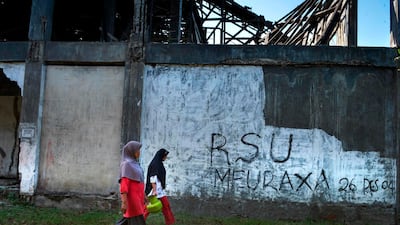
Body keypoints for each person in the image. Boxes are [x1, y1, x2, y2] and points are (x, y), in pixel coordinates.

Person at [144, 148, 175, 225]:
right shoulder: (156, 164)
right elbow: (153, 178)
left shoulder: (158, 163)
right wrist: (154, 190)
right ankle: (139, 221)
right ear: (161, 155)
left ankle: (170, 222)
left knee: (165, 206)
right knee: (148, 209)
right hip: (155, 190)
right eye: (165, 155)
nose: (166, 157)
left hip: (159, 190)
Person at [119, 141, 146, 225]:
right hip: (132, 200)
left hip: (138, 198)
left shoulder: (135, 164)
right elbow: (124, 185)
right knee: (137, 220)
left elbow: (139, 181)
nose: (139, 152)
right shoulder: (126, 164)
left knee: (128, 221)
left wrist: (144, 195)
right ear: (131, 151)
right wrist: (124, 202)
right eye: (137, 150)